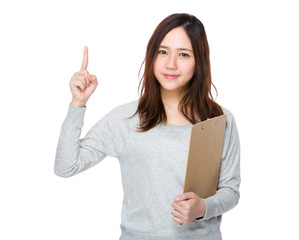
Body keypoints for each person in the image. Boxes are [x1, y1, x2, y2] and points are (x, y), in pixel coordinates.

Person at [55, 13, 240, 240]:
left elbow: (230, 190)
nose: (170, 64)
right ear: (152, 56)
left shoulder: (220, 120)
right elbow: (66, 166)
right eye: (163, 52)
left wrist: (202, 208)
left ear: (199, 61)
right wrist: (78, 103)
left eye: (183, 54)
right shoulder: (127, 119)